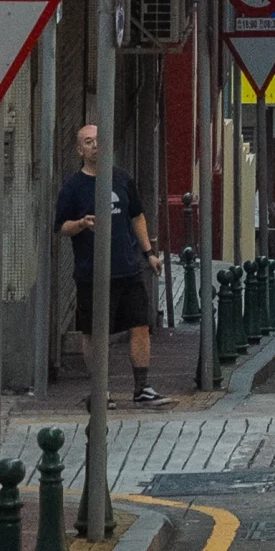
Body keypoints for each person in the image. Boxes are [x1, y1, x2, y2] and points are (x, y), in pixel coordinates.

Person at [55, 124, 173, 408]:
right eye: (88, 141)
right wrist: (82, 223)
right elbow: (61, 227)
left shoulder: (122, 179)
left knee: (140, 326)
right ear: (79, 150)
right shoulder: (73, 187)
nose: (95, 145)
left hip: (128, 268)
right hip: (92, 273)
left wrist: (149, 253)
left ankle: (142, 388)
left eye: (98, 140)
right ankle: (100, 392)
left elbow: (137, 217)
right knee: (95, 334)